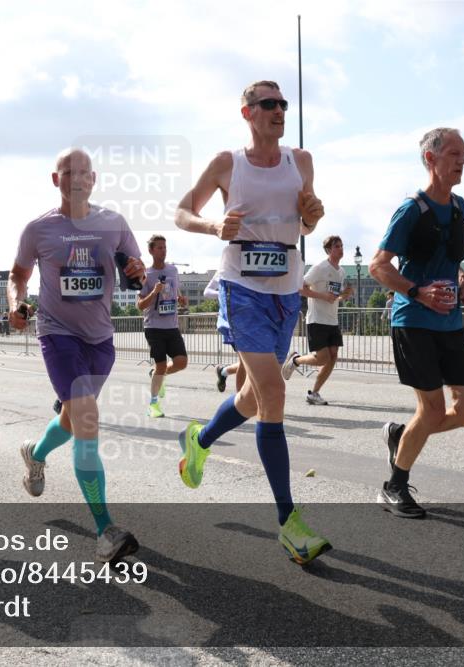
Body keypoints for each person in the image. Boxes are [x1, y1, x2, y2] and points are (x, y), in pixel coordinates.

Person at [174, 80, 330, 564]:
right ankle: (289, 522)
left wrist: (313, 217)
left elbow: (305, 222)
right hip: (241, 287)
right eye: (268, 104)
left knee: (252, 396)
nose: (279, 110)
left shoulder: (300, 160)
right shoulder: (228, 163)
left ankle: (199, 440)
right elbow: (182, 212)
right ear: (247, 112)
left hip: (285, 288)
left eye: (283, 103)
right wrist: (212, 226)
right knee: (274, 392)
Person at [10, 147, 146, 564]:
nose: (77, 178)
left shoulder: (113, 223)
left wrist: (138, 271)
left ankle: (35, 454)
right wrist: (16, 303)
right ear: (56, 180)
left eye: (84, 172)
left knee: (72, 420)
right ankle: (106, 531)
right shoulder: (38, 229)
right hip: (58, 334)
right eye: (68, 172)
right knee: (86, 420)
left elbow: (136, 267)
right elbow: (18, 275)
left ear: (94, 179)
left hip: (100, 340)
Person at [369, 127, 464, 519]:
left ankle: (403, 436)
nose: (462, 161)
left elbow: (450, 258)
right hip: (414, 322)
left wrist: (463, 280)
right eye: (454, 154)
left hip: (450, 324)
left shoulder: (460, 208)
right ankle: (394, 486)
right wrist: (418, 292)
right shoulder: (411, 211)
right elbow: (378, 266)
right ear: (430, 159)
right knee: (432, 409)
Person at [282, 235, 354, 405]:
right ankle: (296, 360)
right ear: (329, 250)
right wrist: (322, 296)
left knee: (333, 357)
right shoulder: (320, 268)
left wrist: (345, 295)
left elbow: (333, 297)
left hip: (332, 320)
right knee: (322, 358)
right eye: (337, 246)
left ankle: (314, 393)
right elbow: (301, 288)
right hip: (317, 319)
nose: (341, 249)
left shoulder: (341, 271)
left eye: (342, 245)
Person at [136, 234, 188, 417]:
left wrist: (180, 299)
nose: (163, 251)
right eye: (159, 248)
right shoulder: (146, 274)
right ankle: (153, 405)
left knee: (181, 362)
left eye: (165, 247)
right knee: (161, 365)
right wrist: (153, 292)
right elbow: (140, 305)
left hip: (172, 325)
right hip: (154, 327)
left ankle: (157, 375)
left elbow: (175, 290)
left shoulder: (173, 270)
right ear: (151, 251)